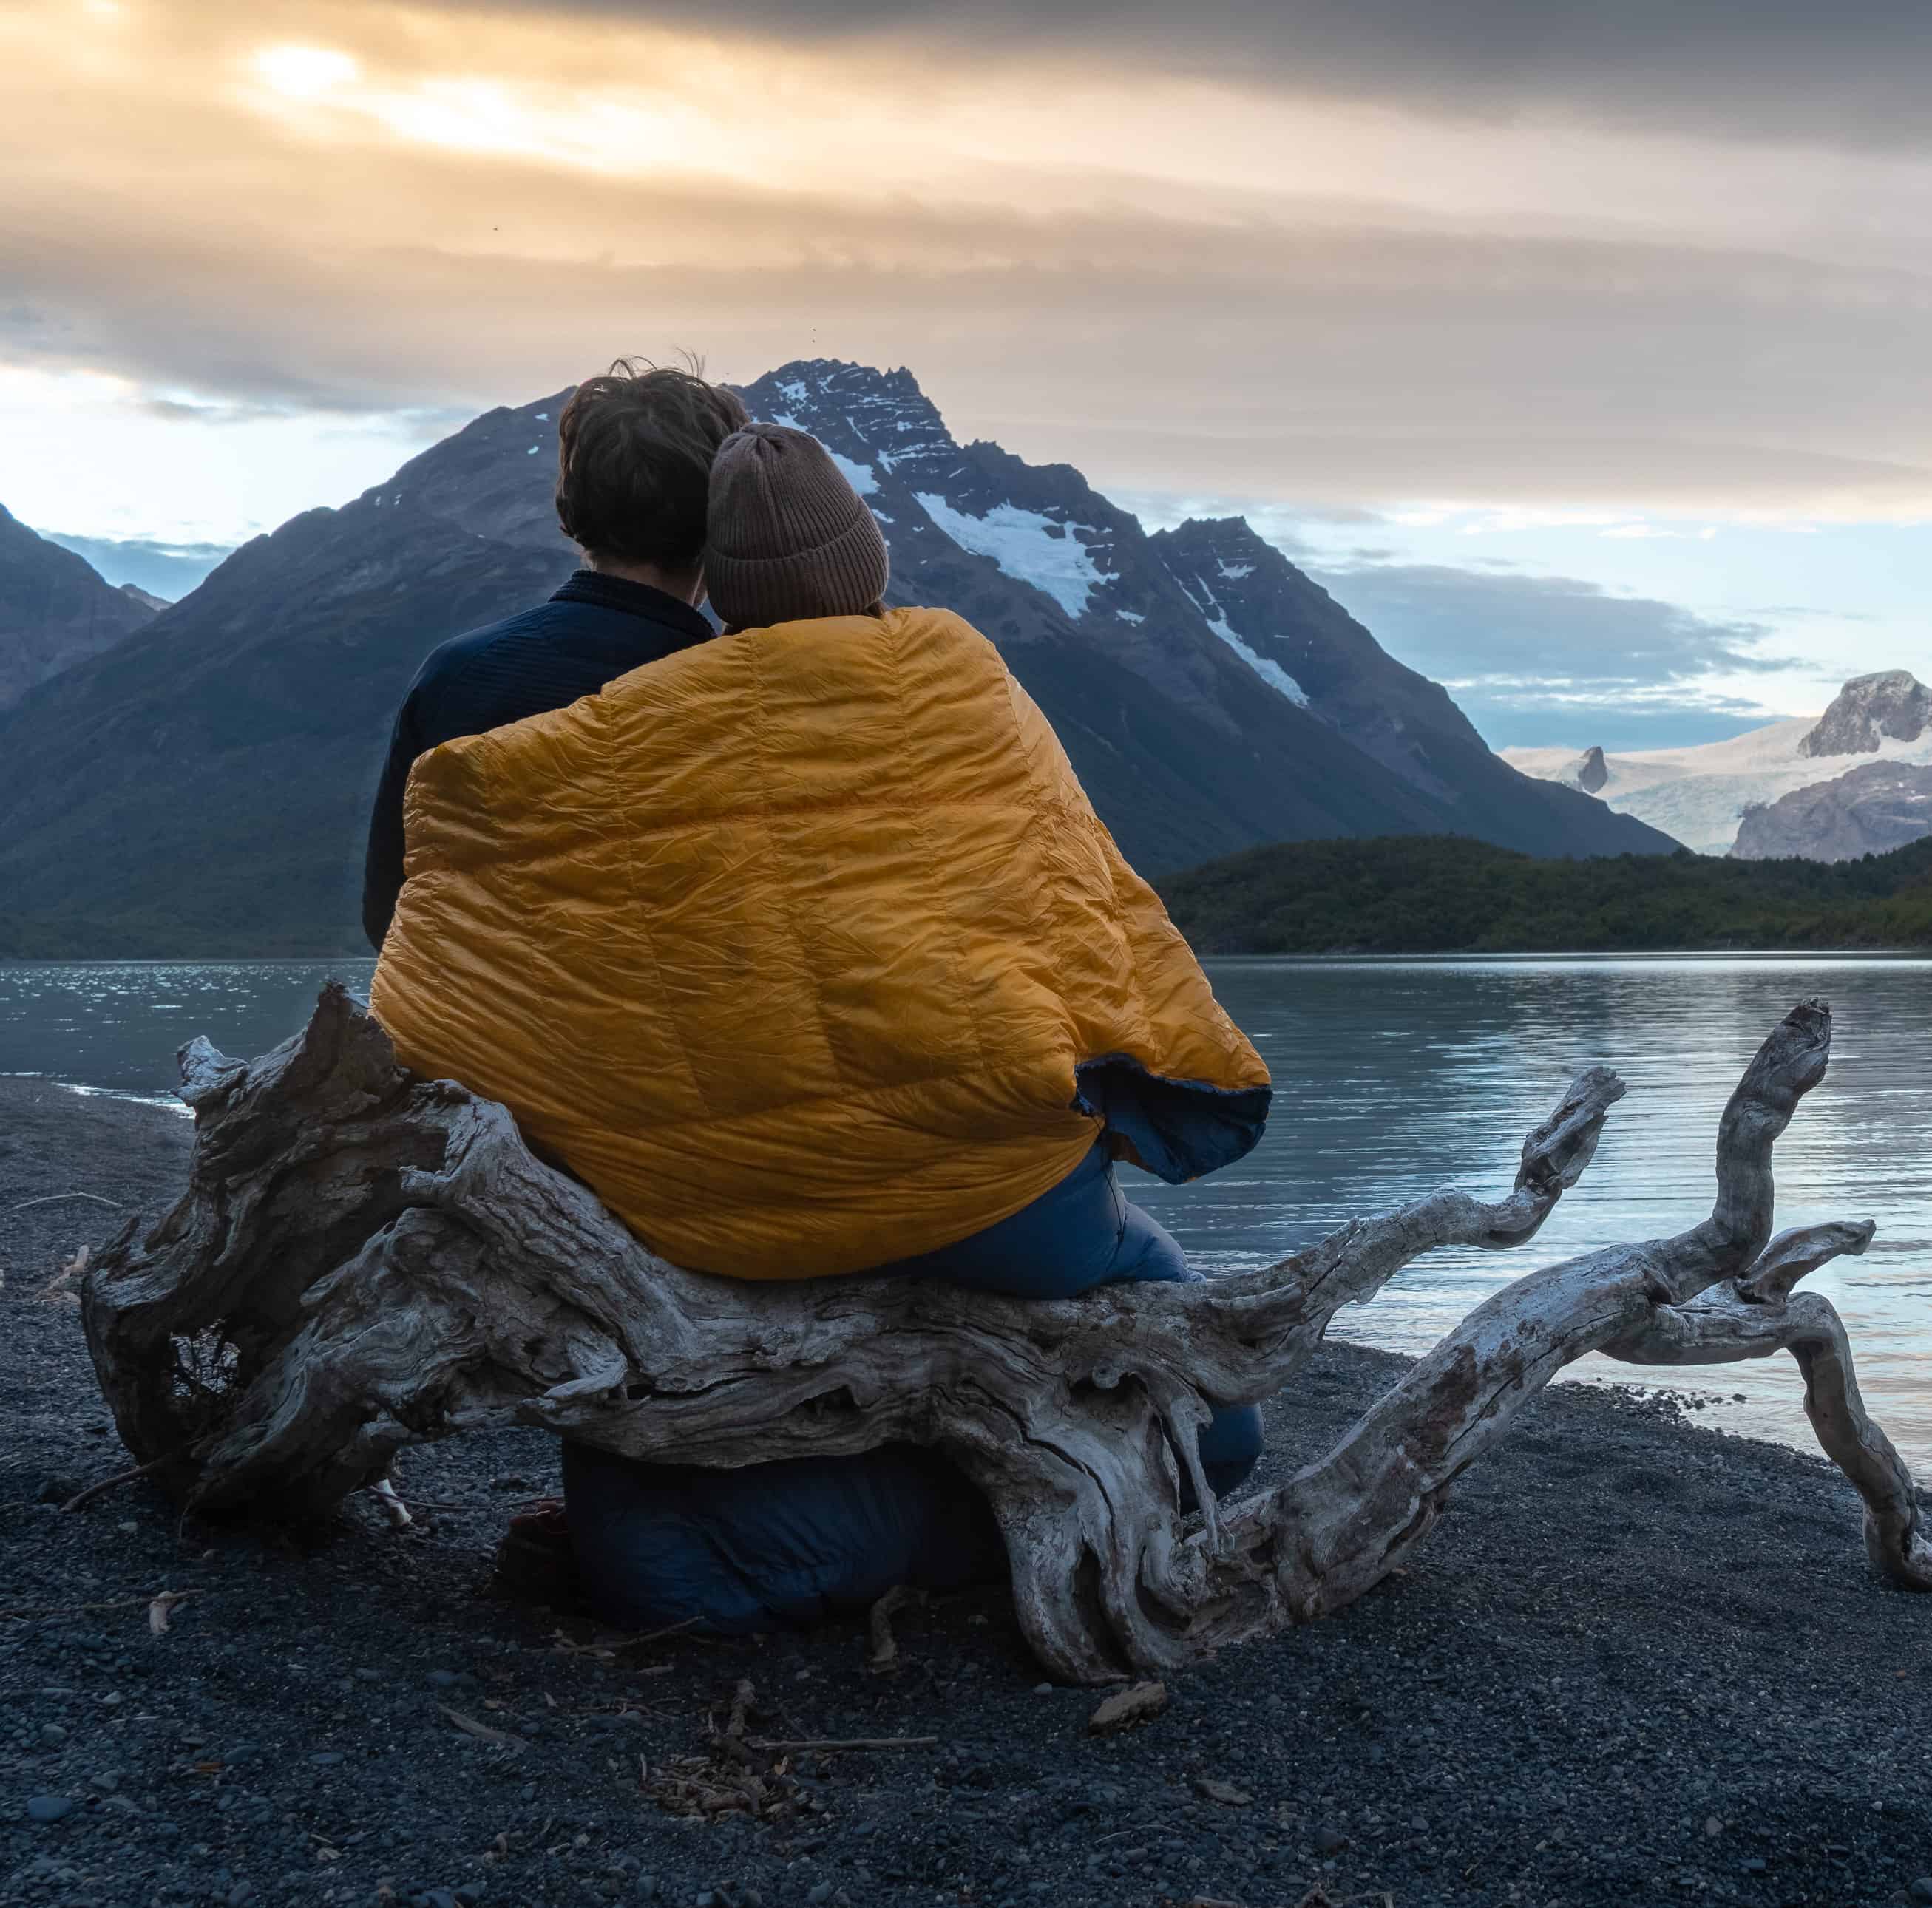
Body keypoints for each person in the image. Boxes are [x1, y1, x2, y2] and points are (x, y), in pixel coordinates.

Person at [365, 412, 1274, 1634]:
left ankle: (755, 1540)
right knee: (1211, 1415)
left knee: (654, 1494)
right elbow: (1077, 896)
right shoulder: (956, 673)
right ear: (868, 560)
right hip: (992, 1197)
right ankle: (987, 1507)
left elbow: (423, 924)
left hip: (706, 1209)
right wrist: (1149, 1081)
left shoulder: (628, 721)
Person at [363, 360, 747, 950]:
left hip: (483, 1033)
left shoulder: (455, 675)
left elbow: (389, 916)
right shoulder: (749, 694)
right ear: (718, 520)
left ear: (570, 512)